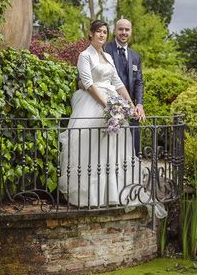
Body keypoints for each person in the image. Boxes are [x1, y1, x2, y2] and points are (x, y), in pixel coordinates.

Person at [58, 20, 141, 208]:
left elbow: (118, 82)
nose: (102, 35)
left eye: (104, 32)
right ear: (91, 34)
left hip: (113, 104)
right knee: (93, 149)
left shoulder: (108, 57)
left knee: (112, 150)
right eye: (98, 32)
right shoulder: (84, 56)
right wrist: (109, 106)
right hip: (93, 102)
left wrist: (129, 104)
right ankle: (91, 196)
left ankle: (112, 193)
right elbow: (87, 83)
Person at [104, 18, 144, 154]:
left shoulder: (136, 56)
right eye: (120, 29)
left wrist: (139, 105)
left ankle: (133, 172)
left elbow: (139, 82)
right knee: (110, 147)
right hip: (109, 106)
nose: (124, 32)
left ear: (131, 32)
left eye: (127, 29)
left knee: (134, 147)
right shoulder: (105, 49)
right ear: (115, 31)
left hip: (131, 107)